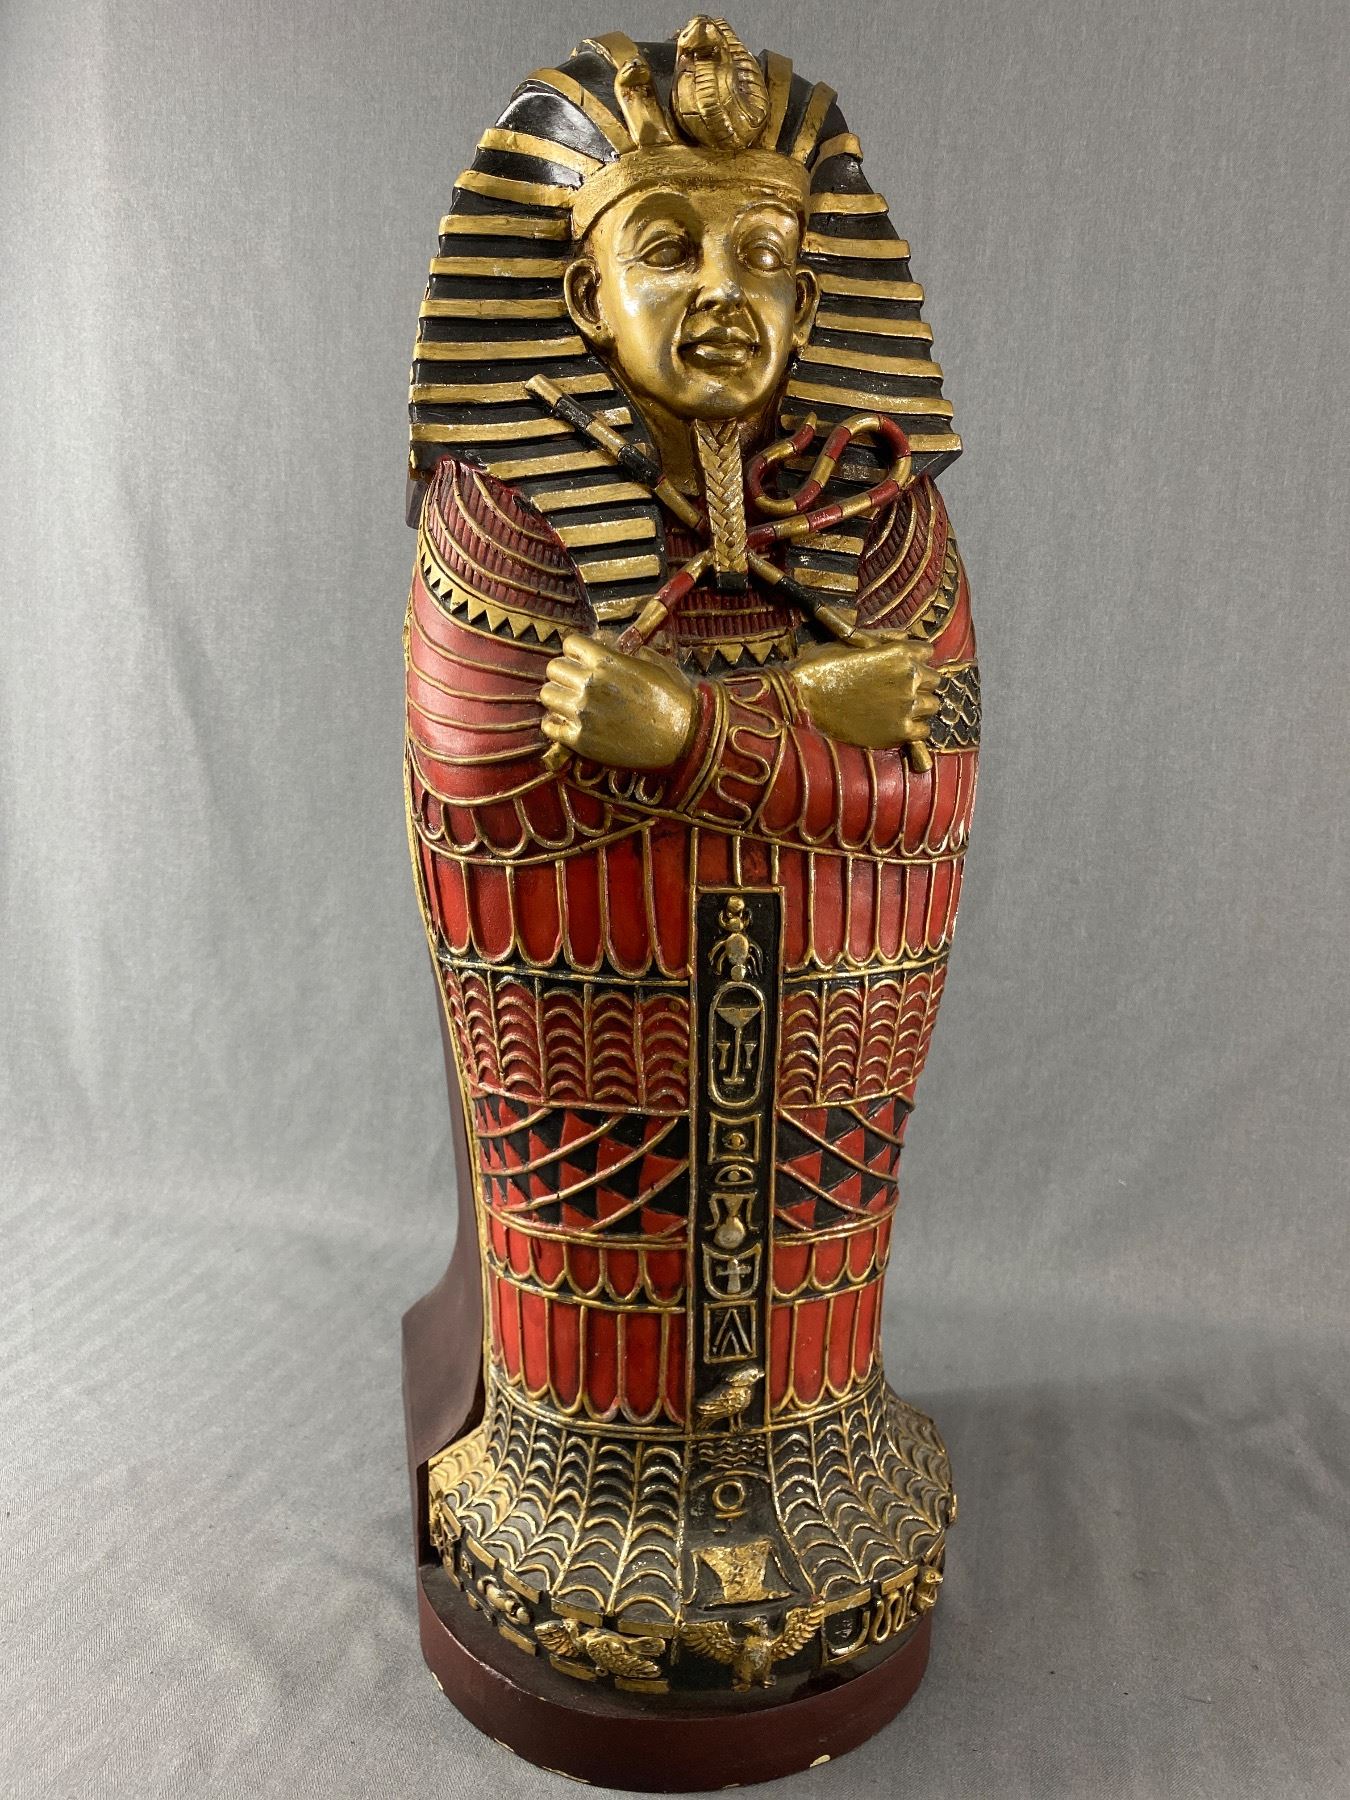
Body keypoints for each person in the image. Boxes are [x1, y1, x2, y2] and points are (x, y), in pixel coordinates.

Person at [405, 16, 977, 1698]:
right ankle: (564, 1474)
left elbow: (926, 794)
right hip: (586, 1025)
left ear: (814, 295)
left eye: (765, 254)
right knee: (598, 1292)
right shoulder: (506, 512)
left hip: (825, 1016)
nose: (724, 289)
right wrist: (806, 725)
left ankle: (815, 1451)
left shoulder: (875, 512)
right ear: (582, 296)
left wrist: (686, 737)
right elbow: (485, 780)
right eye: (667, 247)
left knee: (804, 1279)